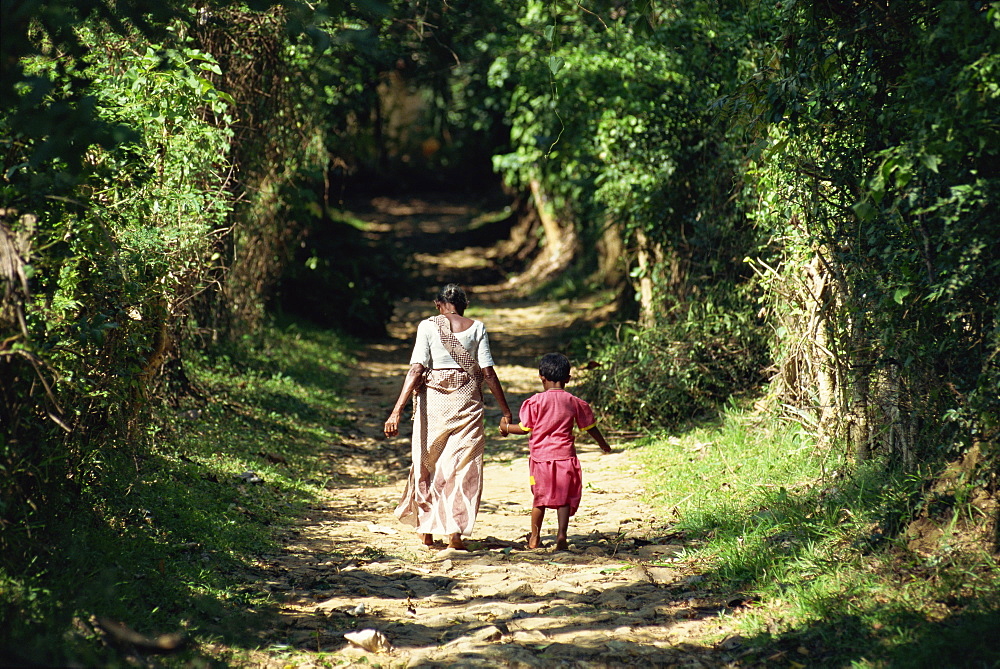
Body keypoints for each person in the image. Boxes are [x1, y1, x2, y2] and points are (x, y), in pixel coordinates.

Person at [384, 284, 513, 550]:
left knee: (427, 463)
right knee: (463, 467)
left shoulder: (427, 326)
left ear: (438, 305)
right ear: (464, 305)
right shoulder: (477, 328)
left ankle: (426, 531)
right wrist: (506, 411)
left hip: (433, 405)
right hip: (467, 403)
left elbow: (416, 370)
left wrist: (397, 410)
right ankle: (454, 534)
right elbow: (488, 373)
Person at [500, 353, 612, 551]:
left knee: (539, 499)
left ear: (541, 377)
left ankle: (534, 537)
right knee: (564, 498)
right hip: (566, 457)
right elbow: (590, 427)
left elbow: (525, 428)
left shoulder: (534, 402)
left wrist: (506, 428)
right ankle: (562, 536)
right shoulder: (574, 402)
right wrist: (604, 445)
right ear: (568, 378)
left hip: (540, 459)